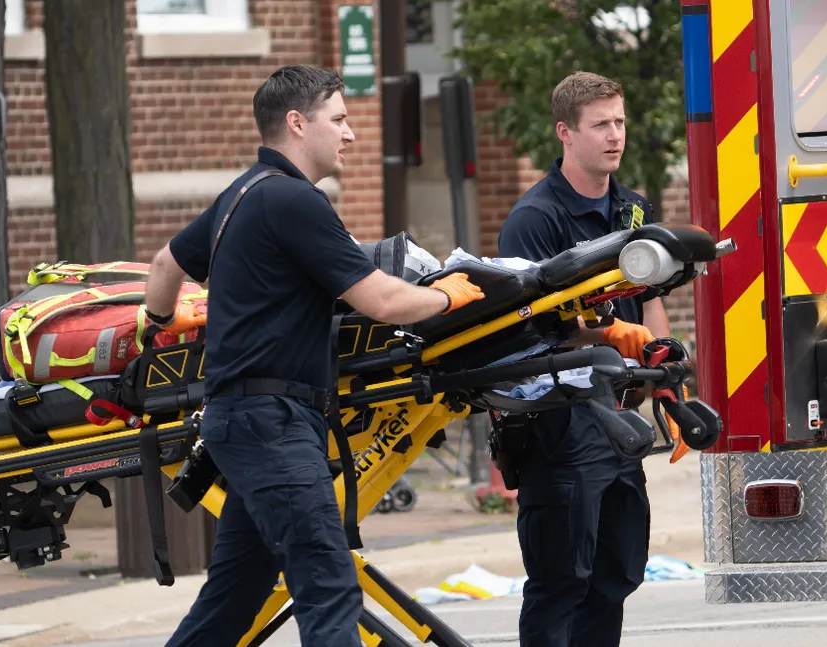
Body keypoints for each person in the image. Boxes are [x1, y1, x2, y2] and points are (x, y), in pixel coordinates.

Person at [143, 64, 485, 647]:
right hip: (270, 425)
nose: (351, 134)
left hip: (244, 420)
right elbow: (380, 299)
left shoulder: (241, 194)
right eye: (340, 119)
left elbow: (163, 266)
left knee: (233, 600)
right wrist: (444, 294)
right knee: (327, 585)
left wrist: (156, 326)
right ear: (298, 124)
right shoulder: (295, 202)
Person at [497, 71, 684, 647]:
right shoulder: (536, 220)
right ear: (565, 133)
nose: (615, 135)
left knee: (616, 573)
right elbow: (524, 334)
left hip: (620, 420)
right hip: (561, 421)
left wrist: (666, 386)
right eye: (600, 124)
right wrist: (607, 337)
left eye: (619, 122)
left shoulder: (632, 211)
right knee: (561, 581)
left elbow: (652, 307)